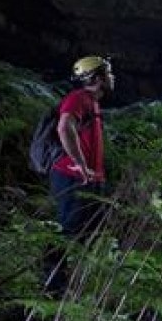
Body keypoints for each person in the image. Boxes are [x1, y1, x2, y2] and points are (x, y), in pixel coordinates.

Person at [45, 55, 115, 293]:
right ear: (96, 78)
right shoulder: (78, 98)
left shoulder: (92, 103)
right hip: (72, 176)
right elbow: (64, 126)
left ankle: (75, 282)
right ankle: (53, 287)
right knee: (68, 230)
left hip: (88, 179)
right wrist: (81, 164)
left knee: (92, 228)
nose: (112, 77)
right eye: (108, 73)